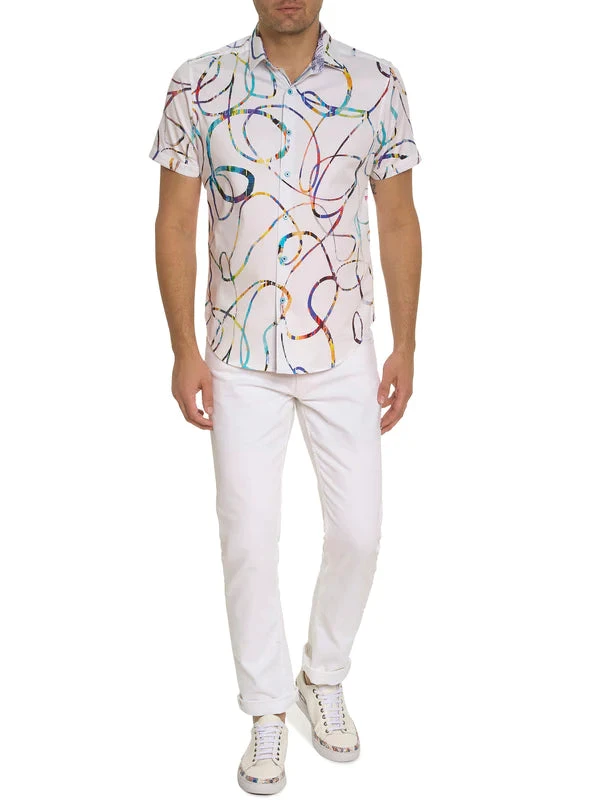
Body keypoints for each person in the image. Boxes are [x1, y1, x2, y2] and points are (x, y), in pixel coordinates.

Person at [149, 0, 422, 794]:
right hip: (238, 351)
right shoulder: (197, 84)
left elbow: (398, 221)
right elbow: (175, 221)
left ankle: (321, 673)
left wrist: (406, 343)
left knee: (360, 530)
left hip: (343, 347)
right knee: (248, 537)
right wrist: (183, 348)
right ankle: (266, 707)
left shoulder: (377, 84)